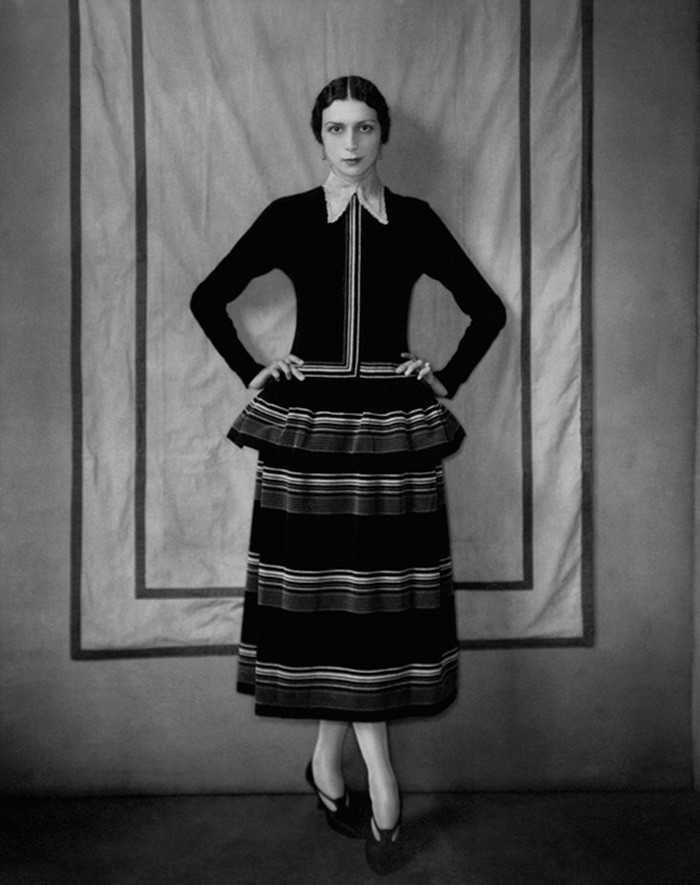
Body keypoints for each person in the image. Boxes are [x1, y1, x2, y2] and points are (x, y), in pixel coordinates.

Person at [190, 75, 506, 875]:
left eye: (365, 127)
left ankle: (329, 767)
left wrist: (445, 374)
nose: (352, 142)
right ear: (319, 136)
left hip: (394, 429)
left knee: (371, 608)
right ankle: (381, 785)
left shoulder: (417, 220)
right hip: (310, 430)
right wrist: (254, 368)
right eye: (337, 128)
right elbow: (207, 297)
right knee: (332, 604)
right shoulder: (289, 217)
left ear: (383, 134)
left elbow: (488, 310)